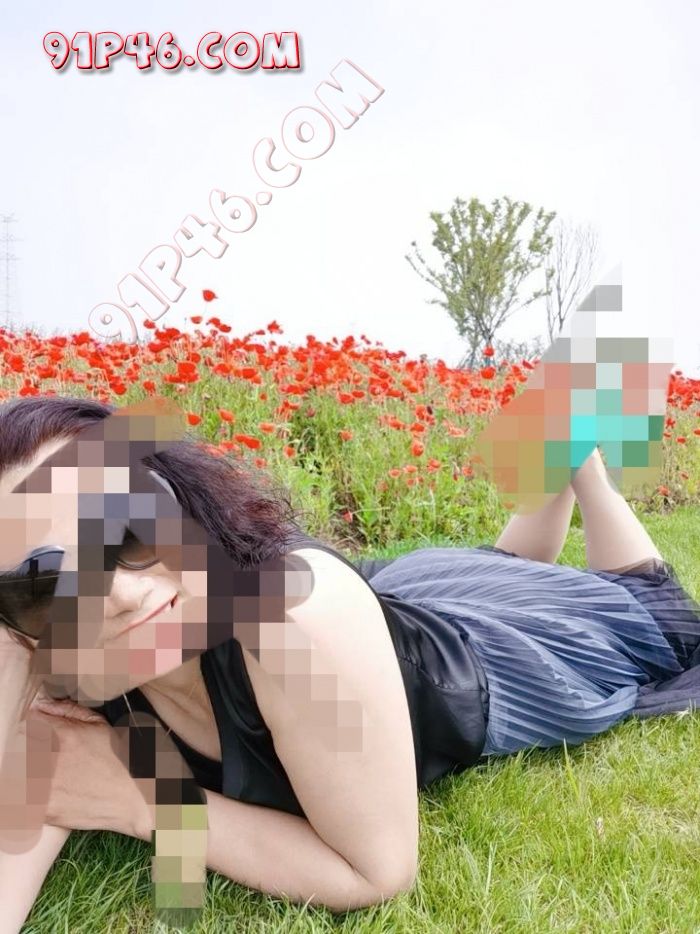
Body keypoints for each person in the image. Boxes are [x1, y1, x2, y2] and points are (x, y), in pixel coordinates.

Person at [1, 394, 700, 931]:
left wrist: (142, 802)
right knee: (505, 566)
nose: (120, 594)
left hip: (478, 659)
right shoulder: (53, 654)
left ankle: (585, 467)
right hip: (397, 601)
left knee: (643, 606)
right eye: (43, 582)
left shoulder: (292, 623)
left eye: (127, 526)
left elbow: (375, 871)